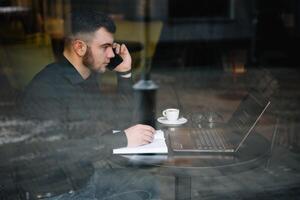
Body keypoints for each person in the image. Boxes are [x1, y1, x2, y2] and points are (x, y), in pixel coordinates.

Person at [19, 10, 155, 149]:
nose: (111, 54)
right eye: (104, 47)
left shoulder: (88, 75)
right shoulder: (45, 89)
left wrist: (124, 73)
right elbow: (57, 152)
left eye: (111, 46)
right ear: (79, 47)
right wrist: (122, 140)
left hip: (90, 166)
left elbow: (118, 119)